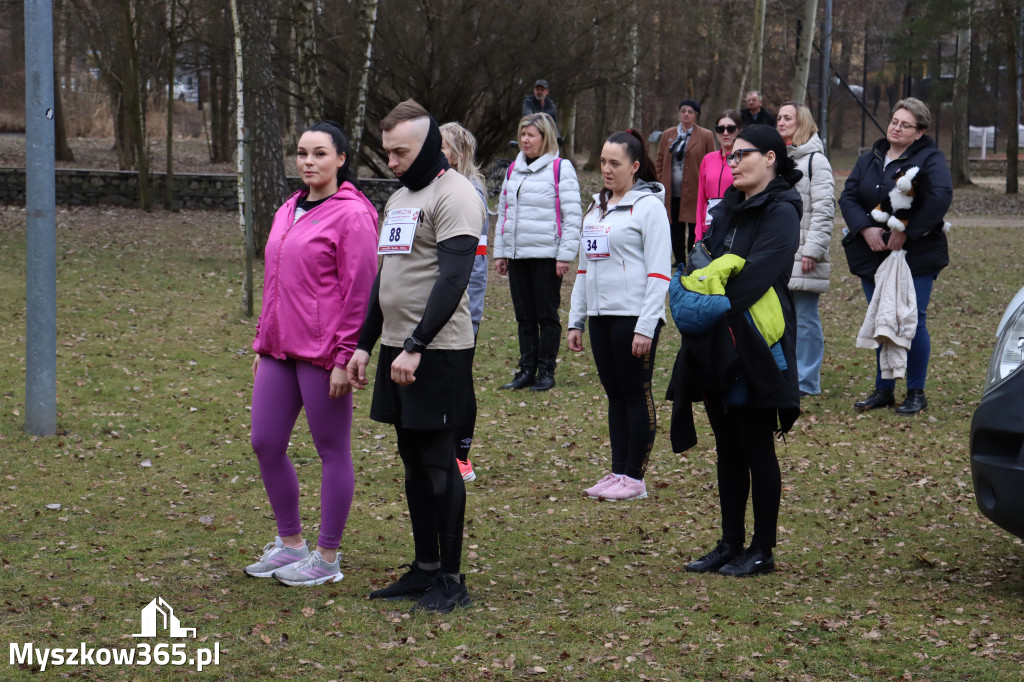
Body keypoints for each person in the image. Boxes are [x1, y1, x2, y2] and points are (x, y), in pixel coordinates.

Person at [347, 100, 486, 613]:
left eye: (400, 152)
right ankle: (424, 567)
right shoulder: (400, 198)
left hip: (438, 351)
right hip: (397, 348)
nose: (392, 162)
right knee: (411, 459)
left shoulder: (457, 195)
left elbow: (453, 279)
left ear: (428, 146)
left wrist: (417, 345)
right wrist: (365, 343)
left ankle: (451, 579)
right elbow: (386, 276)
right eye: (387, 152)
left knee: (439, 462)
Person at [245, 121, 379, 587]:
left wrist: (345, 356)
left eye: (320, 153)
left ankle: (327, 556)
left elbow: (360, 292)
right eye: (302, 153)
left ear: (341, 159)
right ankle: (291, 545)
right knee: (265, 442)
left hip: (324, 355)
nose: (308, 162)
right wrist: (263, 339)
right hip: (279, 350)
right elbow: (274, 280)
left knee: (331, 450)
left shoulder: (354, 215)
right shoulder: (289, 207)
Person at [668, 125, 802, 577]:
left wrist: (704, 296)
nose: (733, 160)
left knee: (756, 445)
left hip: (757, 345)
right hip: (717, 341)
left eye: (743, 153)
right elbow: (695, 261)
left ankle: (762, 549)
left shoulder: (782, 211)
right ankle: (729, 544)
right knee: (727, 447)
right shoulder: (726, 207)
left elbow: (754, 279)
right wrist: (703, 289)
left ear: (770, 158)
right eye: (731, 154)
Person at [568, 129, 672, 501]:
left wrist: (646, 326)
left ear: (635, 166)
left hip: (633, 316)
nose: (607, 169)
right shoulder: (596, 209)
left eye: (615, 163)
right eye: (603, 162)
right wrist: (577, 319)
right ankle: (617, 472)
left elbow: (660, 273)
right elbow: (584, 269)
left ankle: (635, 478)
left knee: (635, 393)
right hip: (601, 316)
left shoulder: (649, 208)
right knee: (615, 395)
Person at [839, 97, 952, 415]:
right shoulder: (870, 158)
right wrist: (865, 228)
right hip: (873, 253)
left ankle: (916, 392)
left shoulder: (930, 158)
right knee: (881, 317)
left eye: (906, 125)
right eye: (894, 121)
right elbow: (848, 196)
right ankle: (884, 390)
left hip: (917, 255)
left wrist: (907, 231)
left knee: (912, 319)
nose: (897, 128)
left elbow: (941, 196)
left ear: (920, 132)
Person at [494, 112, 582, 391]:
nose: (525, 140)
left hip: (546, 256)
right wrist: (500, 252)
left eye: (531, 135)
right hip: (517, 256)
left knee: (547, 315)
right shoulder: (513, 170)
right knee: (524, 317)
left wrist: (564, 255)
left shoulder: (560, 168)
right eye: (522, 134)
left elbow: (572, 215)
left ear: (545, 138)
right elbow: (504, 213)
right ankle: (526, 370)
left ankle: (546, 371)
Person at [440, 121, 488, 483]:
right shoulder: (435, 188)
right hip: (434, 303)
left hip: (461, 305)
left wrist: (468, 308)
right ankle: (440, 450)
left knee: (458, 380)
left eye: (439, 147)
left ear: (456, 155)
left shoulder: (471, 192)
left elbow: (477, 262)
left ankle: (461, 456)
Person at [777, 101, 834, 397]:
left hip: (804, 253)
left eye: (787, 118)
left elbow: (824, 210)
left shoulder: (816, 161)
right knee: (781, 318)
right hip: (779, 253)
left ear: (802, 122)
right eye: (779, 117)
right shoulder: (776, 159)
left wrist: (812, 250)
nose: (781, 122)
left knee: (805, 318)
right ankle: (786, 374)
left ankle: (807, 381)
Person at [655, 99, 716, 266]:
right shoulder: (668, 135)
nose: (686, 114)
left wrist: (708, 187)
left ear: (696, 116)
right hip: (672, 191)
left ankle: (693, 258)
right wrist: (661, 181)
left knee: (695, 226)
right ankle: (679, 260)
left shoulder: (705, 136)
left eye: (690, 112)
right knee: (675, 226)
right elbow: (659, 160)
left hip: (695, 190)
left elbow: (711, 162)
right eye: (683, 111)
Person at [695, 109, 742, 242]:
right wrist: (698, 235)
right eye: (720, 129)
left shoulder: (743, 159)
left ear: (738, 130)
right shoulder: (708, 159)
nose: (725, 133)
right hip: (709, 227)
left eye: (730, 129)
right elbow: (701, 199)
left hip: (733, 228)